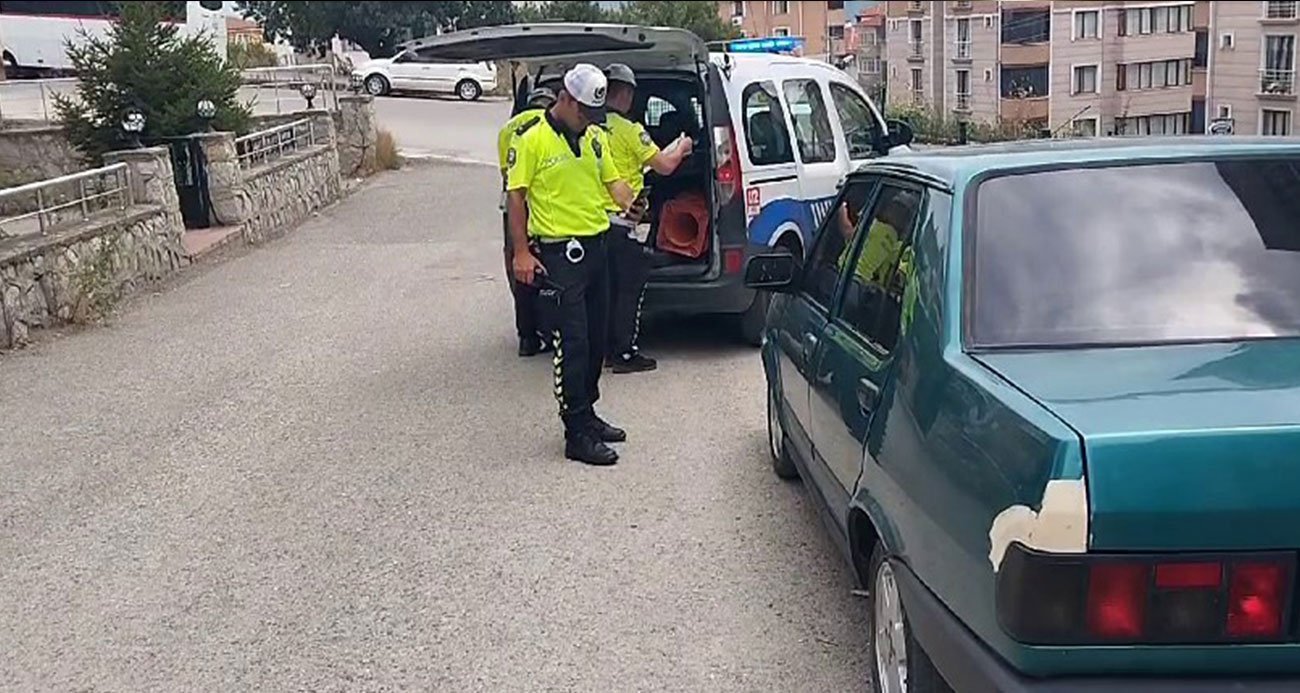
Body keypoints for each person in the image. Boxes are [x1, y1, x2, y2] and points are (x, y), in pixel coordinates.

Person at [506, 64, 636, 466]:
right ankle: (575, 432)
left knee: (597, 339)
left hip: (598, 248)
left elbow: (613, 184)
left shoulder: (594, 137)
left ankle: (588, 412)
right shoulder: (532, 139)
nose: (588, 120)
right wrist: (521, 252)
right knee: (573, 343)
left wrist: (629, 198)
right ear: (564, 98)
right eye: (583, 112)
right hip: (561, 255)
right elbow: (516, 198)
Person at [599, 64, 694, 374]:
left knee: (602, 291)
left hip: (591, 224)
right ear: (626, 94)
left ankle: (604, 351)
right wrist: (682, 147)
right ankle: (624, 353)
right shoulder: (630, 130)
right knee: (628, 291)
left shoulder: (590, 127)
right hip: (623, 221)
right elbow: (665, 166)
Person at [497, 86, 557, 357]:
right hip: (541, 202)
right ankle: (553, 328)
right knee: (552, 265)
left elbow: (506, 173)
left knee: (521, 268)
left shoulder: (507, 129)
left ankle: (527, 337)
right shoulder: (545, 126)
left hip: (513, 204)